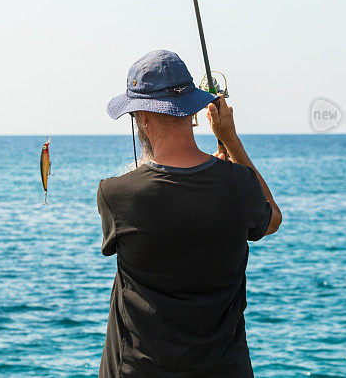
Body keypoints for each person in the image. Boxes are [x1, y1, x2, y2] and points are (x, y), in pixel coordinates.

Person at [97, 49, 282, 378]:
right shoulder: (238, 186)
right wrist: (230, 141)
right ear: (192, 112)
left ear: (143, 116)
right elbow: (272, 220)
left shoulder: (115, 194)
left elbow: (157, 189)